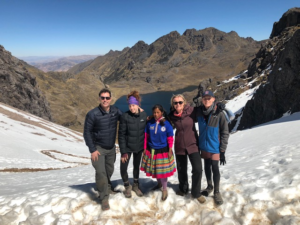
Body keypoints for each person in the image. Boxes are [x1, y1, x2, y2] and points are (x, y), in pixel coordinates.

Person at [83, 88, 122, 211]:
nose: (105, 100)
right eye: (102, 98)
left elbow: (126, 119)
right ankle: (104, 197)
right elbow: (87, 132)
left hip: (111, 148)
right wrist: (92, 149)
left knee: (109, 170)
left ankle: (107, 187)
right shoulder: (93, 114)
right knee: (101, 172)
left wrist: (139, 112)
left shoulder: (115, 111)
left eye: (107, 98)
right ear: (99, 98)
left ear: (111, 99)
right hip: (98, 148)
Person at [168, 94, 206, 204]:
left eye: (180, 102)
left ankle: (196, 192)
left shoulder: (192, 111)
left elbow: (205, 108)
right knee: (181, 170)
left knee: (198, 169)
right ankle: (183, 189)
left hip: (193, 144)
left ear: (184, 102)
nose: (178, 104)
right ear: (173, 104)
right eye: (175, 103)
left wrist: (217, 106)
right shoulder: (172, 115)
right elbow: (162, 119)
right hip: (179, 146)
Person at [195, 90, 229, 205]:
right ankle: (209, 186)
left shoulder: (219, 113)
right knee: (207, 167)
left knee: (215, 168)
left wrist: (223, 150)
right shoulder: (199, 112)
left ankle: (217, 191)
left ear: (213, 99)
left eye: (209, 98)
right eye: (204, 98)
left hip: (215, 147)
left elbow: (225, 132)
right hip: (204, 146)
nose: (206, 100)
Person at [140, 104, 176, 201]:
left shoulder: (166, 124)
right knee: (156, 169)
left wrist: (169, 150)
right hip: (152, 150)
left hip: (163, 150)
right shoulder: (150, 123)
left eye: (158, 112)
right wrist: (144, 148)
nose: (156, 114)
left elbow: (170, 138)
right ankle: (159, 183)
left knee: (163, 172)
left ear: (162, 112)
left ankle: (164, 189)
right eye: (154, 112)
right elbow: (146, 137)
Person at [118, 91, 147, 198]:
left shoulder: (144, 115)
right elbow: (121, 135)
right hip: (128, 147)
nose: (131, 108)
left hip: (139, 147)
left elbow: (147, 129)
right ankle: (127, 186)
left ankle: (135, 185)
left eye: (133, 105)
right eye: (130, 105)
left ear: (138, 104)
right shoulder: (125, 116)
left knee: (136, 167)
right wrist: (123, 152)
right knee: (123, 167)